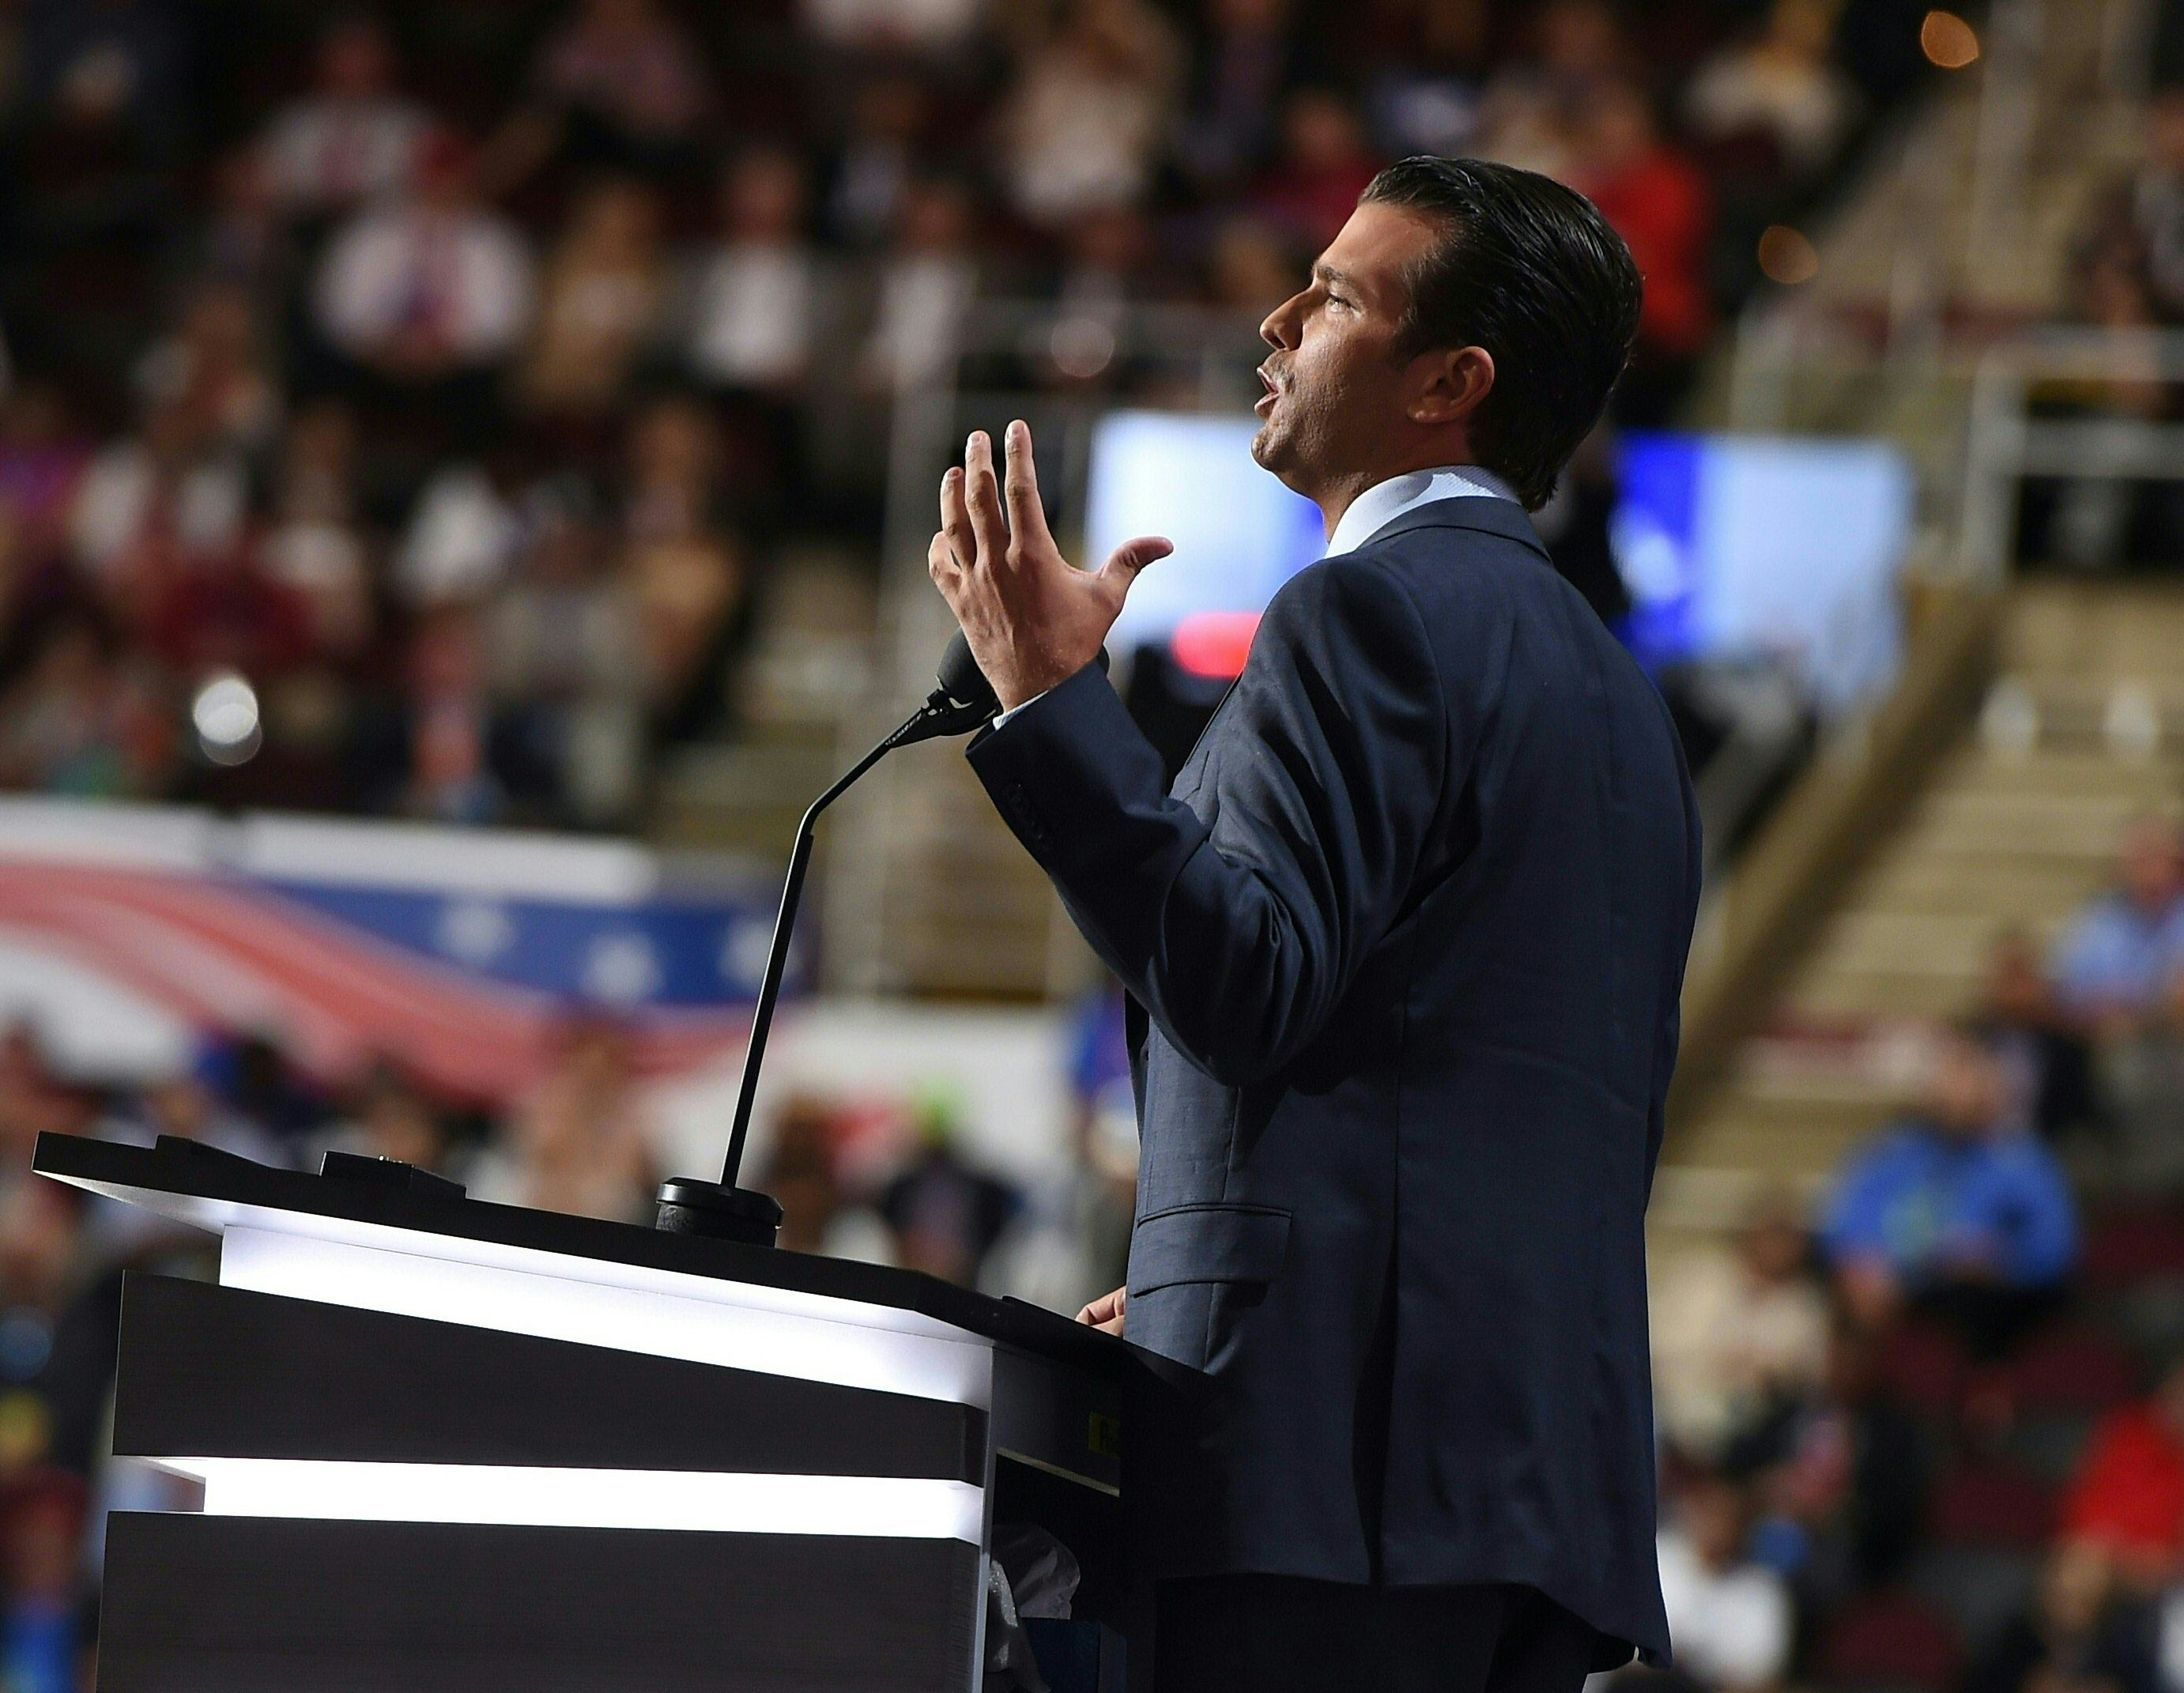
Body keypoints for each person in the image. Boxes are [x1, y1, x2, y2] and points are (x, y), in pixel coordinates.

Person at [927, 156, 1696, 1690]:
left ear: (1448, 383)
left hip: (1326, 1485)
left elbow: (1245, 981)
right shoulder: (1619, 697)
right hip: (1525, 1487)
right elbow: (1468, 1075)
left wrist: (1052, 707)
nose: (1275, 319)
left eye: (1334, 297)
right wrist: (1219, 1285)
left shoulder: (1362, 615)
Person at [1820, 1027, 2076, 1355]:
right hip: (1903, 1294)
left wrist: (2001, 1263)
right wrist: (1865, 1262)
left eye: (1970, 1079)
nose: (1958, 1094)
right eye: (1951, 1077)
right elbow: (1846, 1222)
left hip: (1987, 1305)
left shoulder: (2022, 1162)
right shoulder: (1897, 1152)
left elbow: (2056, 1247)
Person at [2050, 818, 2184, 1035]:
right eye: (2140, 859)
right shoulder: (2100, 916)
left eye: (2157, 858)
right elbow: (2069, 986)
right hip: (2105, 1034)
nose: (2149, 870)